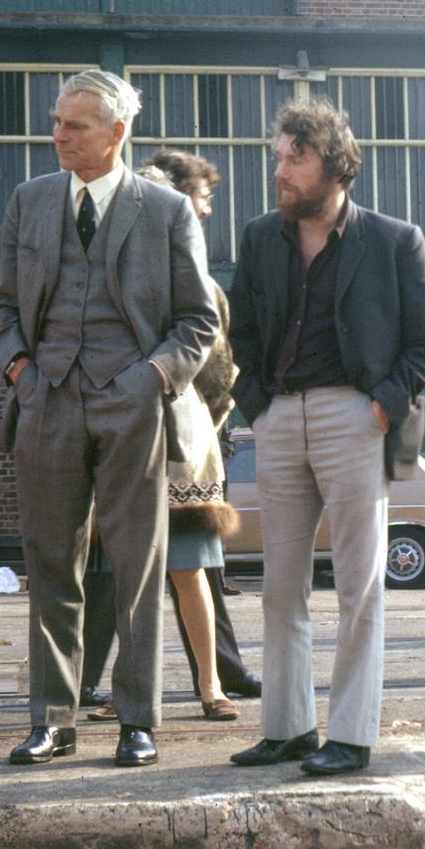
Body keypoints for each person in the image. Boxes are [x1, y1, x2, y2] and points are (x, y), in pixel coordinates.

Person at [0, 70, 218, 767]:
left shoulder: (165, 210)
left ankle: (137, 720)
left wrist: (150, 379)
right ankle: (51, 719)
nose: (57, 134)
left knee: (138, 565)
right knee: (50, 562)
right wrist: (20, 370)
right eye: (56, 121)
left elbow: (197, 321)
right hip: (46, 400)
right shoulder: (28, 202)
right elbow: (0, 307)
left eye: (74, 124)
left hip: (132, 403)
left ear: (116, 133)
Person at [226, 99, 425, 775]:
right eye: (277, 156)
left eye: (295, 157)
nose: (280, 170)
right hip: (278, 419)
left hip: (354, 419)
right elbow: (239, 334)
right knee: (278, 586)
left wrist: (379, 407)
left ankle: (350, 734)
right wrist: (257, 406)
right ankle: (288, 727)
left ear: (334, 165)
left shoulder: (392, 239)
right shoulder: (261, 236)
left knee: (359, 586)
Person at [77, 150, 262, 720]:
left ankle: (211, 685)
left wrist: (202, 418)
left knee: (187, 570)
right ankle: (140, 690)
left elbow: (218, 370)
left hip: (179, 438)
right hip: (126, 437)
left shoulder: (195, 282)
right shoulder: (107, 276)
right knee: (132, 578)